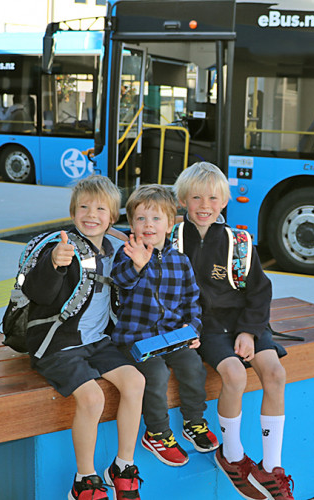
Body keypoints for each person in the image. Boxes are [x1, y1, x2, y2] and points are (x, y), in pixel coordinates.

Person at [172, 162, 295, 500]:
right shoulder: (171, 239)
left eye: (213, 198)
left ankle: (272, 467)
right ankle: (234, 455)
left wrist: (251, 332)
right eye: (196, 197)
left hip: (243, 323)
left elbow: (259, 290)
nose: (204, 205)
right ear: (183, 200)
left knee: (275, 374)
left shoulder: (238, 242)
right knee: (235, 376)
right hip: (205, 329)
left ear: (224, 201)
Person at [21, 175, 145, 500]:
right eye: (83, 207)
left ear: (113, 215)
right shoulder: (62, 247)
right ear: (73, 212)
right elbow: (39, 293)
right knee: (93, 399)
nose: (91, 214)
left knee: (135, 382)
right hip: (56, 344)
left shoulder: (115, 248)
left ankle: (123, 465)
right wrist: (54, 265)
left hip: (96, 341)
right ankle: (84, 479)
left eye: (100, 208)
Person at [110, 184, 219, 467]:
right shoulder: (127, 255)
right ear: (131, 223)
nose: (148, 225)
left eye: (156, 218)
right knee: (156, 374)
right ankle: (157, 432)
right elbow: (121, 281)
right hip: (135, 339)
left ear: (170, 224)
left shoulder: (181, 262)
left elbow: (192, 301)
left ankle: (194, 421)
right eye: (141, 219)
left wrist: (193, 329)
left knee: (193, 364)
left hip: (171, 337)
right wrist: (137, 265)